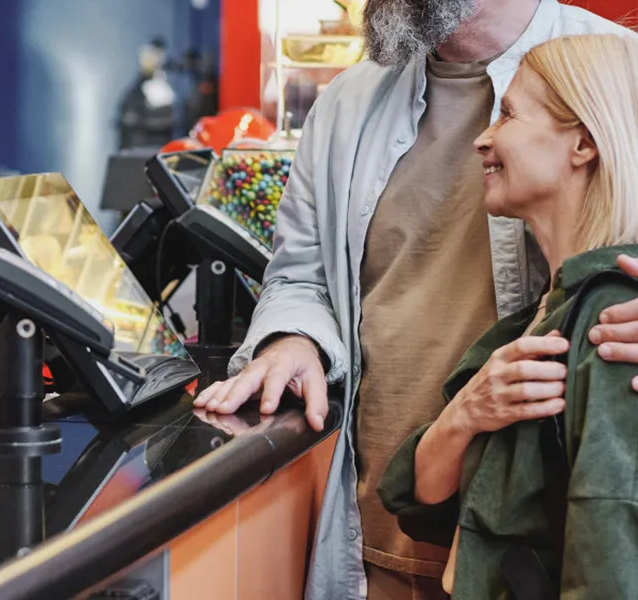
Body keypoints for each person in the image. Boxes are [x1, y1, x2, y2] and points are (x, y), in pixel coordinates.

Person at [189, 0, 638, 596]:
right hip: (391, 531)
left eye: (507, 117)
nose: (486, 138)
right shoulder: (347, 101)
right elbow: (300, 274)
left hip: (541, 556)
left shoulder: (615, 70)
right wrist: (290, 336)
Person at [377, 33, 638, 597]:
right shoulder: (544, 315)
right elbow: (424, 508)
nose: (483, 138)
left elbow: (609, 561)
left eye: (510, 114)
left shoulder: (612, 320)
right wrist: (463, 416)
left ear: (584, 144)